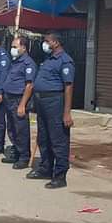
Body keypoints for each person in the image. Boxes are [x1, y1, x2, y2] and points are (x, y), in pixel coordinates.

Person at [26, 32, 75, 189]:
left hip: (55, 101)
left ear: (55, 42)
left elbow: (69, 87)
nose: (44, 44)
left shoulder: (65, 61)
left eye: (46, 41)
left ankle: (60, 175)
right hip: (42, 102)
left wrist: (66, 112)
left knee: (58, 140)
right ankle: (46, 168)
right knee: (43, 137)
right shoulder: (48, 59)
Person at [2, 36, 37, 170]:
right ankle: (16, 152)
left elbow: (29, 86)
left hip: (19, 100)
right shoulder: (15, 62)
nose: (12, 49)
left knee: (21, 129)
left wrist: (22, 104)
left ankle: (24, 157)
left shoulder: (28, 63)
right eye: (12, 47)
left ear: (24, 47)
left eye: (15, 47)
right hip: (9, 98)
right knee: (11, 128)